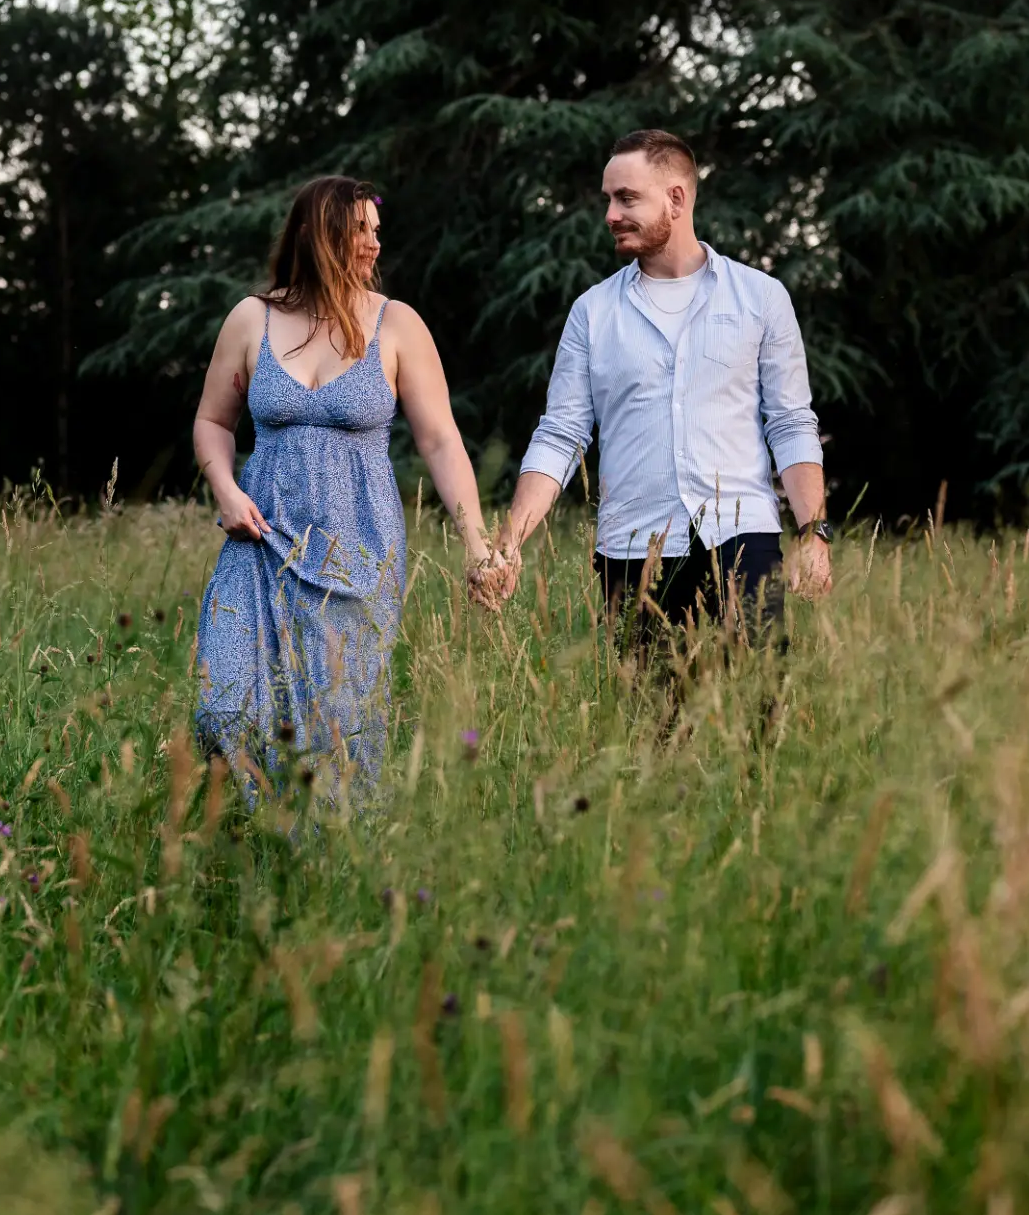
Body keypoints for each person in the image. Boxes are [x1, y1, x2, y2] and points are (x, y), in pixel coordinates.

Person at [191, 176, 499, 804]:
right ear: (318, 234)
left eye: (376, 231)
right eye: (360, 229)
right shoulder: (253, 318)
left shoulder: (397, 325)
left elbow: (440, 441)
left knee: (337, 732)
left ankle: (323, 866)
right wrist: (224, 490)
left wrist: (477, 543)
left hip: (355, 555)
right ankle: (259, 835)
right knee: (226, 707)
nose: (373, 244)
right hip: (258, 543)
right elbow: (213, 421)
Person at [477, 129, 833, 645]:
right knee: (649, 725)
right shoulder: (592, 313)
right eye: (609, 200)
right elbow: (560, 435)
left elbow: (791, 423)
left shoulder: (761, 297)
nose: (610, 215)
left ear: (676, 198)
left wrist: (812, 533)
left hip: (743, 542)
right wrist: (508, 543)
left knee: (756, 721)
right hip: (630, 554)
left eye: (626, 198)